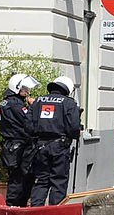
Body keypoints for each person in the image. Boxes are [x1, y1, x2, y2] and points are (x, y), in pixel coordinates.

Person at [28, 76, 82, 207]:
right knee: (58, 182)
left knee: (41, 181)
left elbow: (28, 124)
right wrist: (75, 134)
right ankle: (54, 213)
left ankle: (35, 213)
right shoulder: (69, 103)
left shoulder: (38, 101)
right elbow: (74, 127)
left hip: (40, 146)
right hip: (59, 147)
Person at [0, 74, 39, 206]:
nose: (27, 91)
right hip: (19, 145)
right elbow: (28, 120)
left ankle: (16, 205)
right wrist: (33, 107)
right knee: (20, 178)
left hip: (11, 145)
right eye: (25, 88)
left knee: (18, 177)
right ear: (16, 87)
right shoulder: (16, 104)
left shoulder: (5, 102)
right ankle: (14, 207)